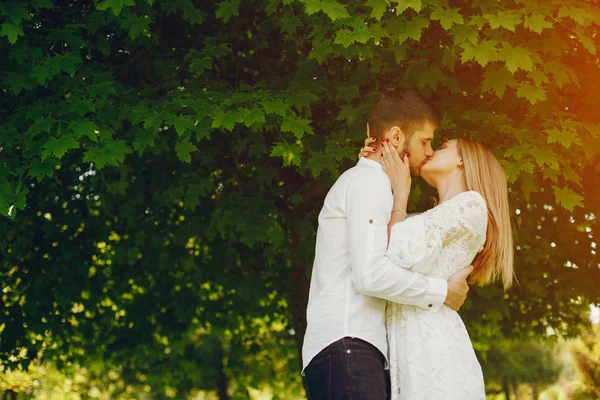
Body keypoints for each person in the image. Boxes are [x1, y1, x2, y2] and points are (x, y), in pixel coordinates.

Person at [301, 88, 474, 400]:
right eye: (425, 141)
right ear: (395, 137)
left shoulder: (373, 184)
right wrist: (442, 292)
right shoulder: (369, 181)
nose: (430, 151)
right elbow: (371, 275)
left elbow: (393, 257)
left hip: (352, 349)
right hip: (347, 345)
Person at [362, 137, 514, 399]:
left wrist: (401, 193)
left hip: (433, 350)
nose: (431, 151)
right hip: (411, 347)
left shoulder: (471, 204)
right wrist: (369, 165)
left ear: (461, 159)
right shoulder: (425, 220)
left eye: (442, 146)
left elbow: (392, 249)